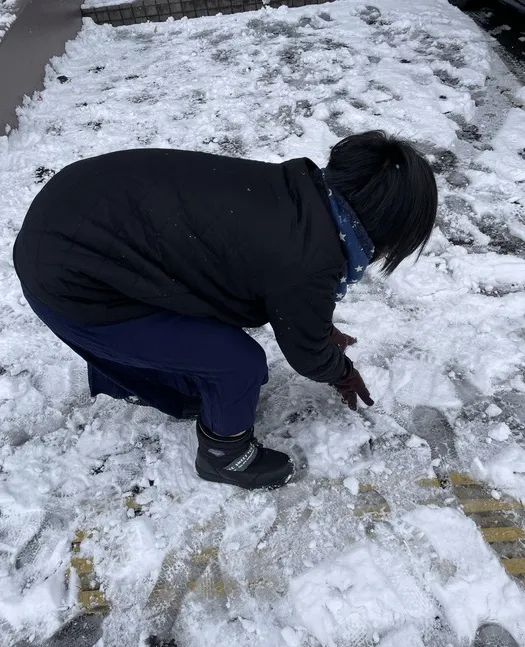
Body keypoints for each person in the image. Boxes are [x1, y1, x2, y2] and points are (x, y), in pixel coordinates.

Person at [13, 131, 437, 490]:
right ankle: (224, 454)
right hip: (72, 281)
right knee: (239, 364)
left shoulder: (298, 194)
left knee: (205, 321)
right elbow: (306, 352)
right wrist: (341, 370)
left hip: (72, 215)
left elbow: (276, 283)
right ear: (389, 226)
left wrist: (317, 324)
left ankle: (154, 379)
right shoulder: (310, 257)